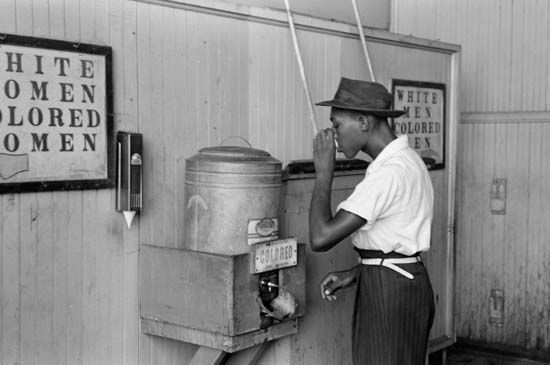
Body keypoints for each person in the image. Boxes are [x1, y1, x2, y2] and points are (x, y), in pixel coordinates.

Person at [309, 77, 435, 365]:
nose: (334, 135)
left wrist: (323, 173)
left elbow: (321, 237)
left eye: (337, 124)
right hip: (403, 281)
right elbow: (397, 241)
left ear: (364, 122)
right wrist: (358, 271)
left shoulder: (389, 173)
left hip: (389, 292)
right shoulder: (408, 160)